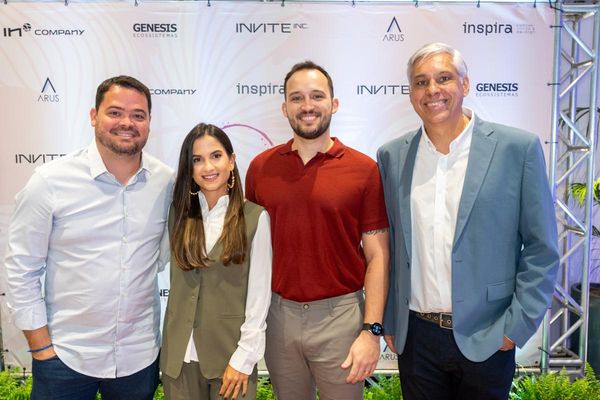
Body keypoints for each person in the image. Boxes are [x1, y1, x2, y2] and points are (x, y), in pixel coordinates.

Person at [377, 42, 560, 400]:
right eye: (420, 82)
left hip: (489, 334)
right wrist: (390, 319)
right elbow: (390, 247)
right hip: (416, 337)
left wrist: (515, 328)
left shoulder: (516, 149)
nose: (432, 91)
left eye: (444, 78)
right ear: (411, 93)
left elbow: (542, 249)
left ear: (466, 84)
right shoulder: (392, 156)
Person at [4, 75, 174, 399]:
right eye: (115, 112)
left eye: (138, 115)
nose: (127, 122)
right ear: (94, 116)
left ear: (149, 122)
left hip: (139, 359)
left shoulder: (166, 182)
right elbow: (21, 269)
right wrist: (41, 348)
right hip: (65, 357)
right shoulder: (50, 182)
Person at [245, 61, 390, 400]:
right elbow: (249, 250)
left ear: (334, 104)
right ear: (284, 108)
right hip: (278, 316)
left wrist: (371, 331)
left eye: (316, 96)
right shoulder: (260, 168)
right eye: (296, 98)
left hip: (340, 318)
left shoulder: (363, 169)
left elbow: (378, 256)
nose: (307, 106)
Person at [160, 123, 272, 400]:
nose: (207, 166)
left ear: (232, 161)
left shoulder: (255, 217)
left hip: (230, 359)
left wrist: (244, 359)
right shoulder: (176, 214)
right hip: (178, 360)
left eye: (216, 156)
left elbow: (259, 297)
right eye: (197, 160)